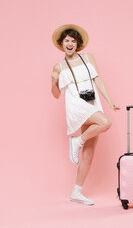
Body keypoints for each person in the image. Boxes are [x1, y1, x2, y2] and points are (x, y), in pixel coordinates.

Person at [51, 24, 120, 205]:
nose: (70, 44)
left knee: (88, 155)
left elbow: (97, 80)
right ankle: (77, 141)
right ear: (61, 43)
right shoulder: (59, 67)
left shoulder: (88, 58)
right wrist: (53, 81)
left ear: (78, 44)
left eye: (73, 41)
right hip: (76, 105)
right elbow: (56, 94)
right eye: (67, 40)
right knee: (105, 123)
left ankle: (76, 192)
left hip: (91, 103)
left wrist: (110, 101)